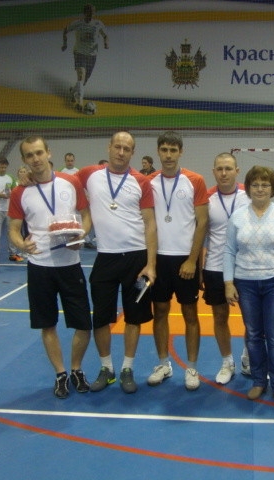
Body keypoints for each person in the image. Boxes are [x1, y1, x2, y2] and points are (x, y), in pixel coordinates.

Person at [8, 135, 93, 399]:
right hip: (39, 266)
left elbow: (87, 215)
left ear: (48, 153)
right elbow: (13, 230)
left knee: (84, 324)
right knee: (48, 324)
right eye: (29, 155)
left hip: (70, 265)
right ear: (24, 160)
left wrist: (81, 236)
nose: (35, 159)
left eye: (38, 153)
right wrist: (22, 245)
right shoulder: (20, 192)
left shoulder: (71, 182)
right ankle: (60, 373)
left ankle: (76, 369)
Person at [77, 131, 157, 394]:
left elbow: (150, 224)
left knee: (134, 317)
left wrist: (151, 264)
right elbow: (61, 181)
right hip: (106, 257)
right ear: (109, 147)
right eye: (118, 147)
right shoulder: (90, 174)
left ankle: (127, 369)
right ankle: (107, 368)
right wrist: (30, 178)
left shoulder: (141, 181)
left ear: (132, 152)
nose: (121, 152)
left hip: (136, 258)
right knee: (101, 317)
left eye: (127, 149)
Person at [224, 166, 274, 405]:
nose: (260, 189)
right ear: (248, 188)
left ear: (272, 188)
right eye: (255, 185)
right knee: (254, 335)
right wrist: (228, 282)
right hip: (245, 283)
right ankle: (259, 381)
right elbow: (229, 251)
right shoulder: (237, 216)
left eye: (265, 185)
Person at [147, 131, 209, 390]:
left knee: (190, 313)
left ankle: (192, 367)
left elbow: (202, 222)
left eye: (173, 150)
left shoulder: (195, 180)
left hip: (185, 259)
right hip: (159, 259)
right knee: (160, 311)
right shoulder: (149, 182)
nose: (169, 155)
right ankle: (163, 363)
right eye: (164, 150)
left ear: (181, 152)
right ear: (158, 152)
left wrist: (192, 260)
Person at [201, 152, 250, 384]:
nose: (224, 173)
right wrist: (199, 268)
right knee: (220, 316)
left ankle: (249, 357)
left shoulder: (249, 196)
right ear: (214, 172)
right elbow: (200, 235)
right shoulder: (206, 199)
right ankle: (227, 361)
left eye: (228, 168)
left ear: (237, 171)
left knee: (252, 319)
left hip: (246, 268)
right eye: (219, 169)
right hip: (215, 267)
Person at [61, 3, 108, 110]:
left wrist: (106, 42)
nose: (91, 14)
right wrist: (65, 44)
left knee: (84, 81)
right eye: (89, 12)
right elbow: (65, 30)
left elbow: (105, 35)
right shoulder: (78, 23)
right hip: (79, 53)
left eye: (93, 12)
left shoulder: (98, 24)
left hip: (92, 55)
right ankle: (80, 103)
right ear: (84, 13)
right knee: (81, 76)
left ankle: (73, 92)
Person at [0, 157, 23, 264]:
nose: (3, 169)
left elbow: (15, 191)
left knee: (12, 232)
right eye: (1, 167)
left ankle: (13, 254)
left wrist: (11, 195)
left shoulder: (10, 177)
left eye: (5, 167)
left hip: (9, 209)